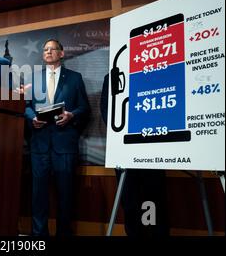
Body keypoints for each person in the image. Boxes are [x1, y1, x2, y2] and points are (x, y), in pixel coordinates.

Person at [25, 39, 90, 236]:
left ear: (61, 53)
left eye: (53, 49)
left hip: (65, 145)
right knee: (38, 197)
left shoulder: (75, 78)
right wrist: (32, 118)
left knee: (66, 196)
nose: (48, 52)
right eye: (45, 49)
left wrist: (71, 115)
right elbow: (26, 105)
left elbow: (84, 108)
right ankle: (38, 237)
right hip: (39, 145)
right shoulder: (33, 79)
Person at [100, 73, 169, 237]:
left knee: (152, 199)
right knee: (129, 202)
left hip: (151, 151)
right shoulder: (111, 76)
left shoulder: (155, 71)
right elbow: (106, 110)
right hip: (123, 151)